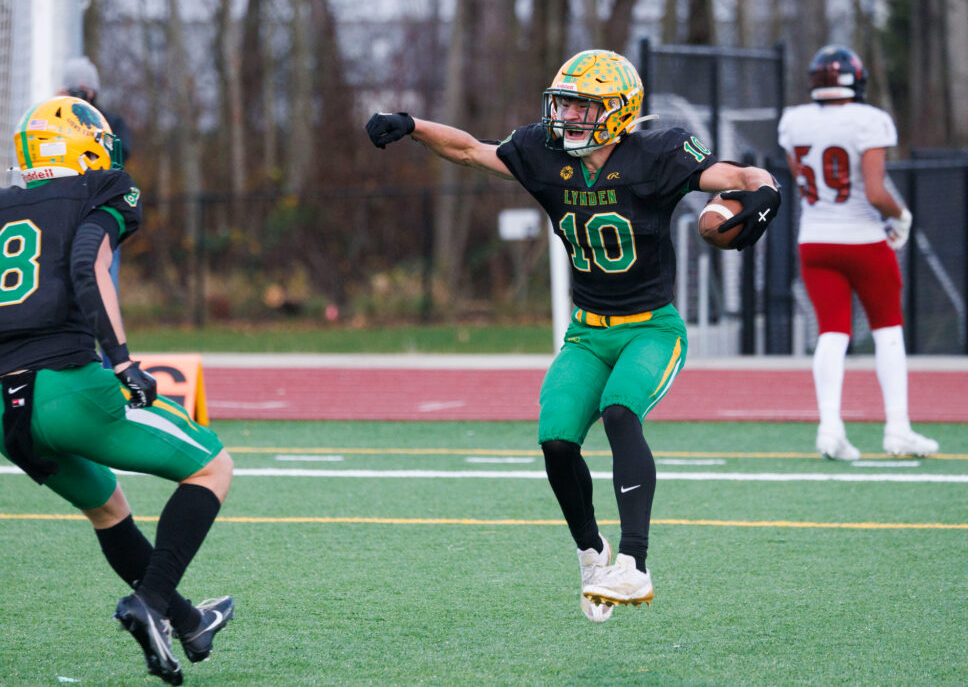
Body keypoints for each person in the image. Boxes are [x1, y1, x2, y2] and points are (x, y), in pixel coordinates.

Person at [367, 49, 780, 622]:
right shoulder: (545, 153)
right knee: (556, 439)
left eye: (581, 106)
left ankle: (633, 564)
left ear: (616, 111)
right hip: (587, 333)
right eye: (563, 103)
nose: (566, 116)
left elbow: (740, 176)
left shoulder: (656, 153)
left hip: (651, 329)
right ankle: (592, 553)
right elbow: (467, 149)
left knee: (618, 413)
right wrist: (414, 127)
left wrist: (765, 192)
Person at [0, 95, 233, 685]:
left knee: (108, 508)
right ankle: (150, 604)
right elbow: (86, 265)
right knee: (213, 467)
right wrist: (123, 362)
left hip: (2, 411)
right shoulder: (103, 188)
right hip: (71, 391)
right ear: (82, 145)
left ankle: (187, 620)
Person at [777, 44, 938, 460]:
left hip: (814, 239)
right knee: (888, 330)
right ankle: (897, 429)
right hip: (863, 238)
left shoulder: (794, 121)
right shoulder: (869, 120)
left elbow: (802, 179)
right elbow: (875, 192)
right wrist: (901, 217)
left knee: (831, 332)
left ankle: (830, 428)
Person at [59, 56, 132, 368]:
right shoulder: (56, 119)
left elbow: (117, 155)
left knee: (102, 285)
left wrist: (89, 116)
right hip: (62, 216)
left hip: (97, 217)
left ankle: (110, 363)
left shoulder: (111, 122)